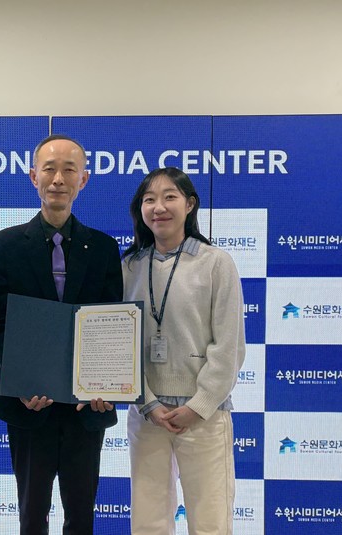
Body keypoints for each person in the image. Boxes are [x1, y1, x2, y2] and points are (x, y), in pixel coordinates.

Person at [0, 134, 123, 534]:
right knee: (32, 514)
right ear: (34, 177)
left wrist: (103, 384)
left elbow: (111, 324)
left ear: (84, 179)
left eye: (69, 170)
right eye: (49, 169)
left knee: (81, 515)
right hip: (29, 403)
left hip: (86, 406)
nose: (58, 179)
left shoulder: (103, 247)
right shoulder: (6, 244)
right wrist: (24, 381)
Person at [122, 167, 245, 535]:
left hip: (204, 415)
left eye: (169, 197)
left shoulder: (215, 262)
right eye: (149, 199)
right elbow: (119, 343)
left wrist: (199, 405)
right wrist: (147, 402)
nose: (159, 207)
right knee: (148, 522)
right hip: (147, 414)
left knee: (210, 523)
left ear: (190, 204)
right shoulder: (129, 266)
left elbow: (229, 345)